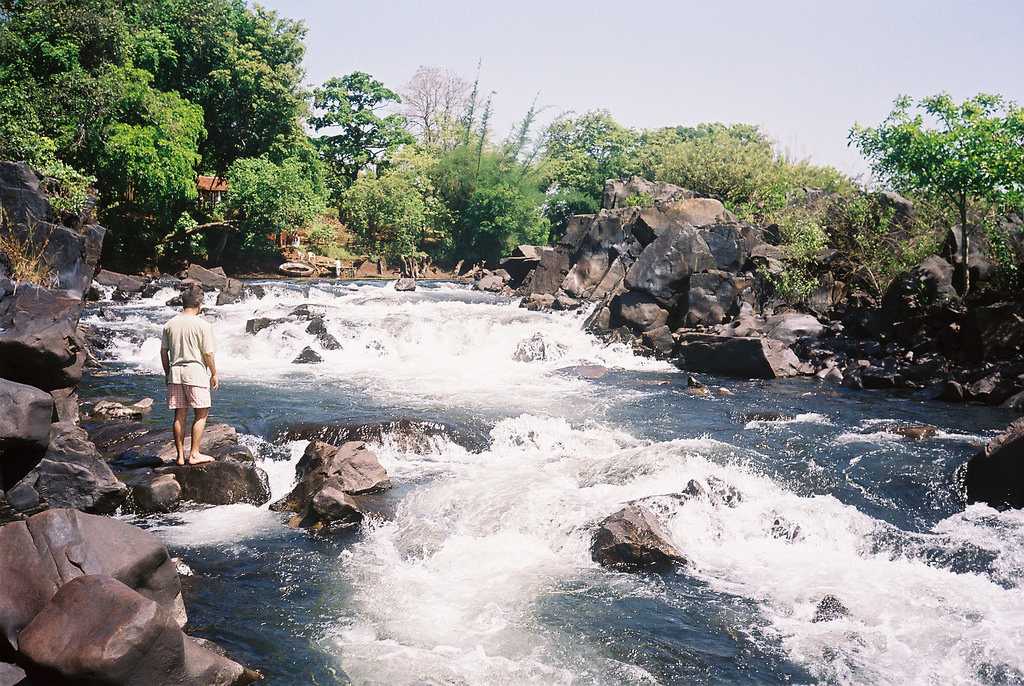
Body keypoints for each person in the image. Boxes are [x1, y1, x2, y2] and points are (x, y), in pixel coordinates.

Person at [160, 284, 219, 466]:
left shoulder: (169, 324)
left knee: (179, 415)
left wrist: (168, 372)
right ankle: (194, 454)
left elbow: (164, 352)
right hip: (195, 373)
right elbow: (208, 353)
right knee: (201, 414)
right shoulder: (203, 325)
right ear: (199, 304)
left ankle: (179, 456)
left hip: (175, 373)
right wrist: (214, 373)